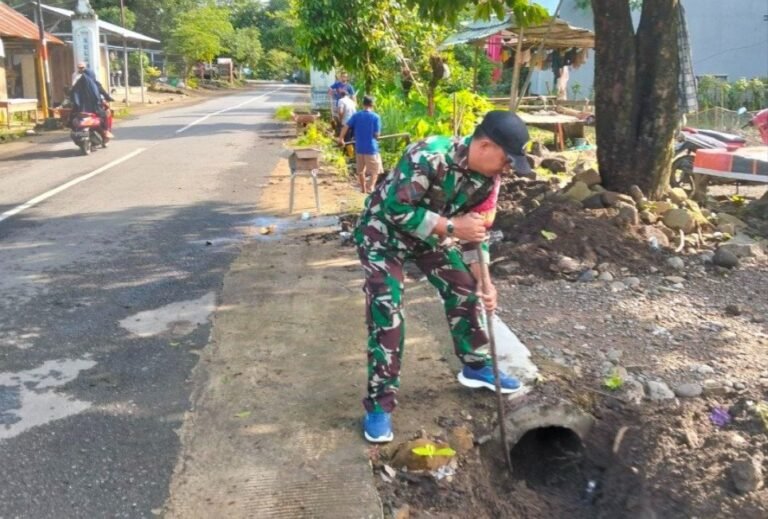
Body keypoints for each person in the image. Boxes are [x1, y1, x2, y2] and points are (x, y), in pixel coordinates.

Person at [354, 110, 533, 443]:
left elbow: (474, 236)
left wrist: (486, 283)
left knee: (465, 288)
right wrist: (452, 226)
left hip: (429, 237)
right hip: (382, 235)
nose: (508, 168)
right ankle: (379, 405)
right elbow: (395, 209)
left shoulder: (488, 180)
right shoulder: (429, 155)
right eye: (507, 160)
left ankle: (475, 365)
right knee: (388, 313)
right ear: (484, 145)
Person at [338, 95, 381, 194]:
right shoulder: (376, 117)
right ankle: (370, 188)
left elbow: (346, 126)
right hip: (371, 148)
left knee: (361, 171)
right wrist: (376, 136)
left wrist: (341, 138)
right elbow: (377, 134)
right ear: (372, 105)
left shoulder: (356, 116)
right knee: (375, 171)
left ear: (363, 104)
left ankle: (363, 189)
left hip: (359, 148)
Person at [70, 68, 115, 139]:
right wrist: (109, 98)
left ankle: (75, 132)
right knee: (105, 115)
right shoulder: (95, 83)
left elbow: (72, 94)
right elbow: (103, 93)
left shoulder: (78, 83)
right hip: (94, 108)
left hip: (79, 109)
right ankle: (106, 131)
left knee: (71, 117)